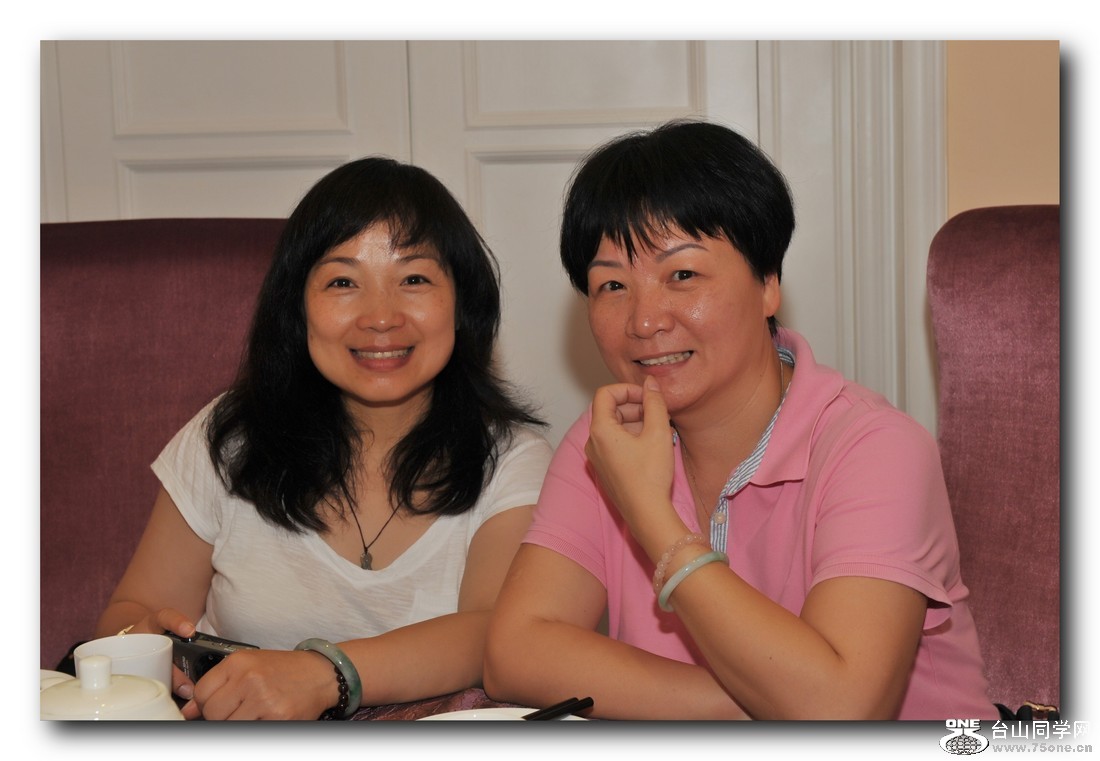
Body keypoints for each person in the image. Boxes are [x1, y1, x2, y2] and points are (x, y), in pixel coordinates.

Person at [483, 120, 997, 720]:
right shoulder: (609, 437)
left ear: (768, 284)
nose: (644, 321)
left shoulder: (877, 448)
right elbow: (514, 652)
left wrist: (649, 513)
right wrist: (767, 702)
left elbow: (839, 712)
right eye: (612, 285)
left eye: (682, 275)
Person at [96, 157, 552, 720]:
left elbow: (495, 633)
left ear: (462, 303)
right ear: (298, 307)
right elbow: (128, 614)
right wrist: (141, 640)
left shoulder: (512, 459)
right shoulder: (230, 439)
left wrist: (325, 674)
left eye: (414, 279)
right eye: (343, 282)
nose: (381, 317)